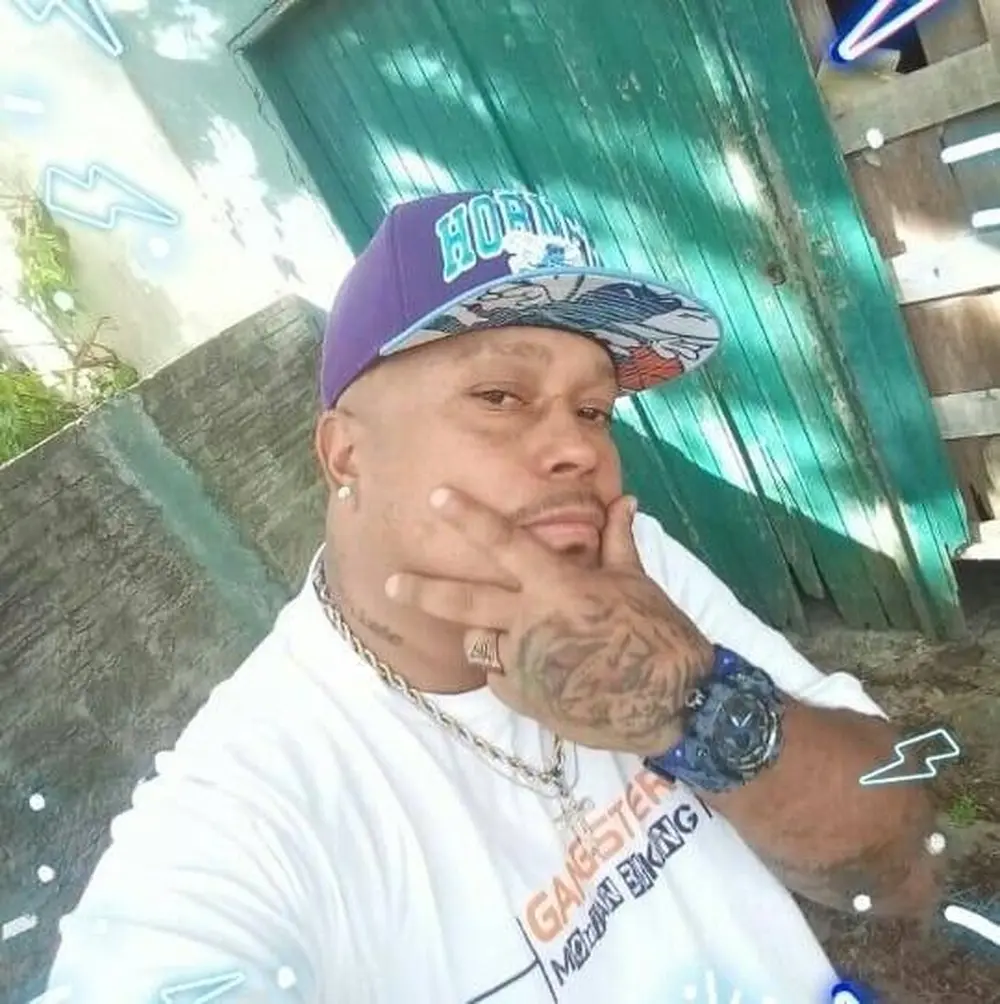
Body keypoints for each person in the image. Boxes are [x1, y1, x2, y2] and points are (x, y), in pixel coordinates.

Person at [46, 190, 940, 1004]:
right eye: (501, 395)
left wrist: (691, 705)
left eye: (594, 411)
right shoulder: (252, 802)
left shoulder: (635, 573)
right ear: (345, 454)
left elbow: (906, 862)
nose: (580, 450)